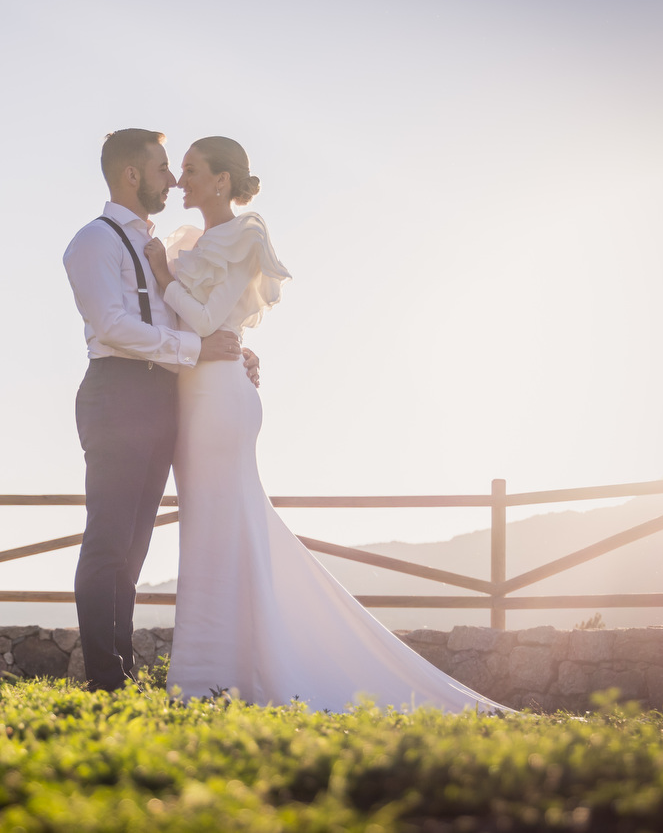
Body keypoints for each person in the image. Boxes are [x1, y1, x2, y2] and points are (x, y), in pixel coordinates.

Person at [141, 135, 505, 712]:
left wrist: (165, 278)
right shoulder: (195, 243)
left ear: (222, 182)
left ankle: (211, 680)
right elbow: (199, 328)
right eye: (179, 169)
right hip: (195, 397)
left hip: (219, 403)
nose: (181, 180)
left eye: (191, 170)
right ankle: (218, 674)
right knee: (212, 531)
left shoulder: (243, 236)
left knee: (219, 527)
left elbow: (209, 319)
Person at [63, 129, 260, 692]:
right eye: (162, 169)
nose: (173, 179)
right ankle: (106, 680)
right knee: (108, 539)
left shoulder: (159, 249)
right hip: (117, 392)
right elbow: (114, 327)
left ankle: (119, 672)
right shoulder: (92, 243)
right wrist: (197, 350)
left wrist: (230, 350)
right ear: (132, 175)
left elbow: (182, 320)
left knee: (134, 545)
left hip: (159, 397)